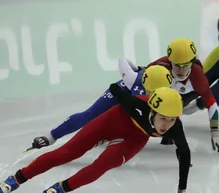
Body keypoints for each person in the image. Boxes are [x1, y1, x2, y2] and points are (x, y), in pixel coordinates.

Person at [0, 86, 197, 193]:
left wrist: (182, 186)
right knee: (66, 153)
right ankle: (16, 179)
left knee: (102, 165)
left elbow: (184, 153)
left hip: (135, 138)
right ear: (152, 110)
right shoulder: (137, 106)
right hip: (113, 121)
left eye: (171, 121)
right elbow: (116, 89)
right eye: (163, 119)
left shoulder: (174, 127)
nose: (165, 126)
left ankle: (61, 188)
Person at [27, 62, 174, 151]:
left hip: (133, 102)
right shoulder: (132, 78)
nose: (151, 95)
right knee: (90, 115)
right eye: (148, 91)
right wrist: (136, 68)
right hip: (120, 93)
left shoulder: (170, 95)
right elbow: (122, 61)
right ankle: (51, 136)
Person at [126, 37, 219, 155]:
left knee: (176, 119)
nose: (181, 70)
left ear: (192, 62)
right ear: (170, 61)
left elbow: (211, 104)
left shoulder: (197, 76)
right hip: (166, 92)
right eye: (176, 65)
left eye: (185, 65)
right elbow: (144, 72)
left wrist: (215, 133)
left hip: (186, 96)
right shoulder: (162, 63)